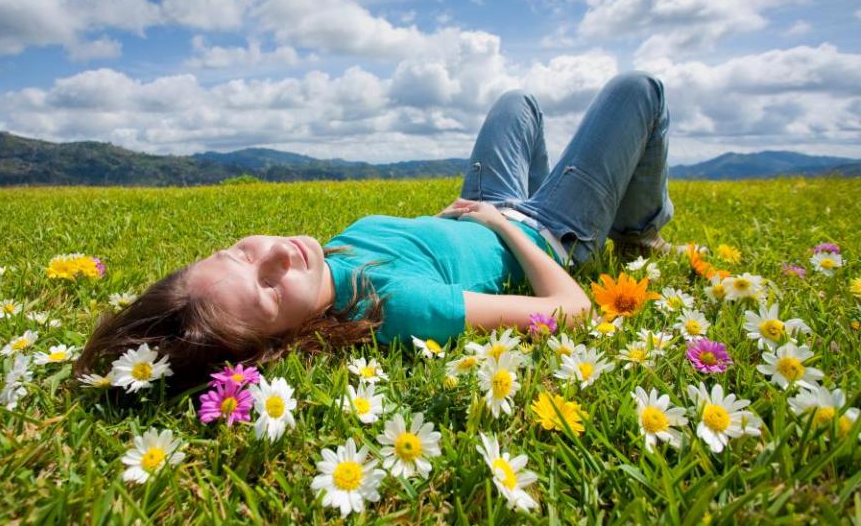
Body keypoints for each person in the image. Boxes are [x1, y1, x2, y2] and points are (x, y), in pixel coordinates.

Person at [74, 71, 674, 389]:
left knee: (517, 101)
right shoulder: (398, 307)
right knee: (639, 91)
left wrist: (459, 222)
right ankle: (639, 230)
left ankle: (540, 195)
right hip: (547, 232)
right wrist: (505, 227)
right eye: (269, 290)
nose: (278, 254)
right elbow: (570, 309)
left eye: (241, 252)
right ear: (282, 340)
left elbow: (414, 249)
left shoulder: (330, 266)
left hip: (488, 205)